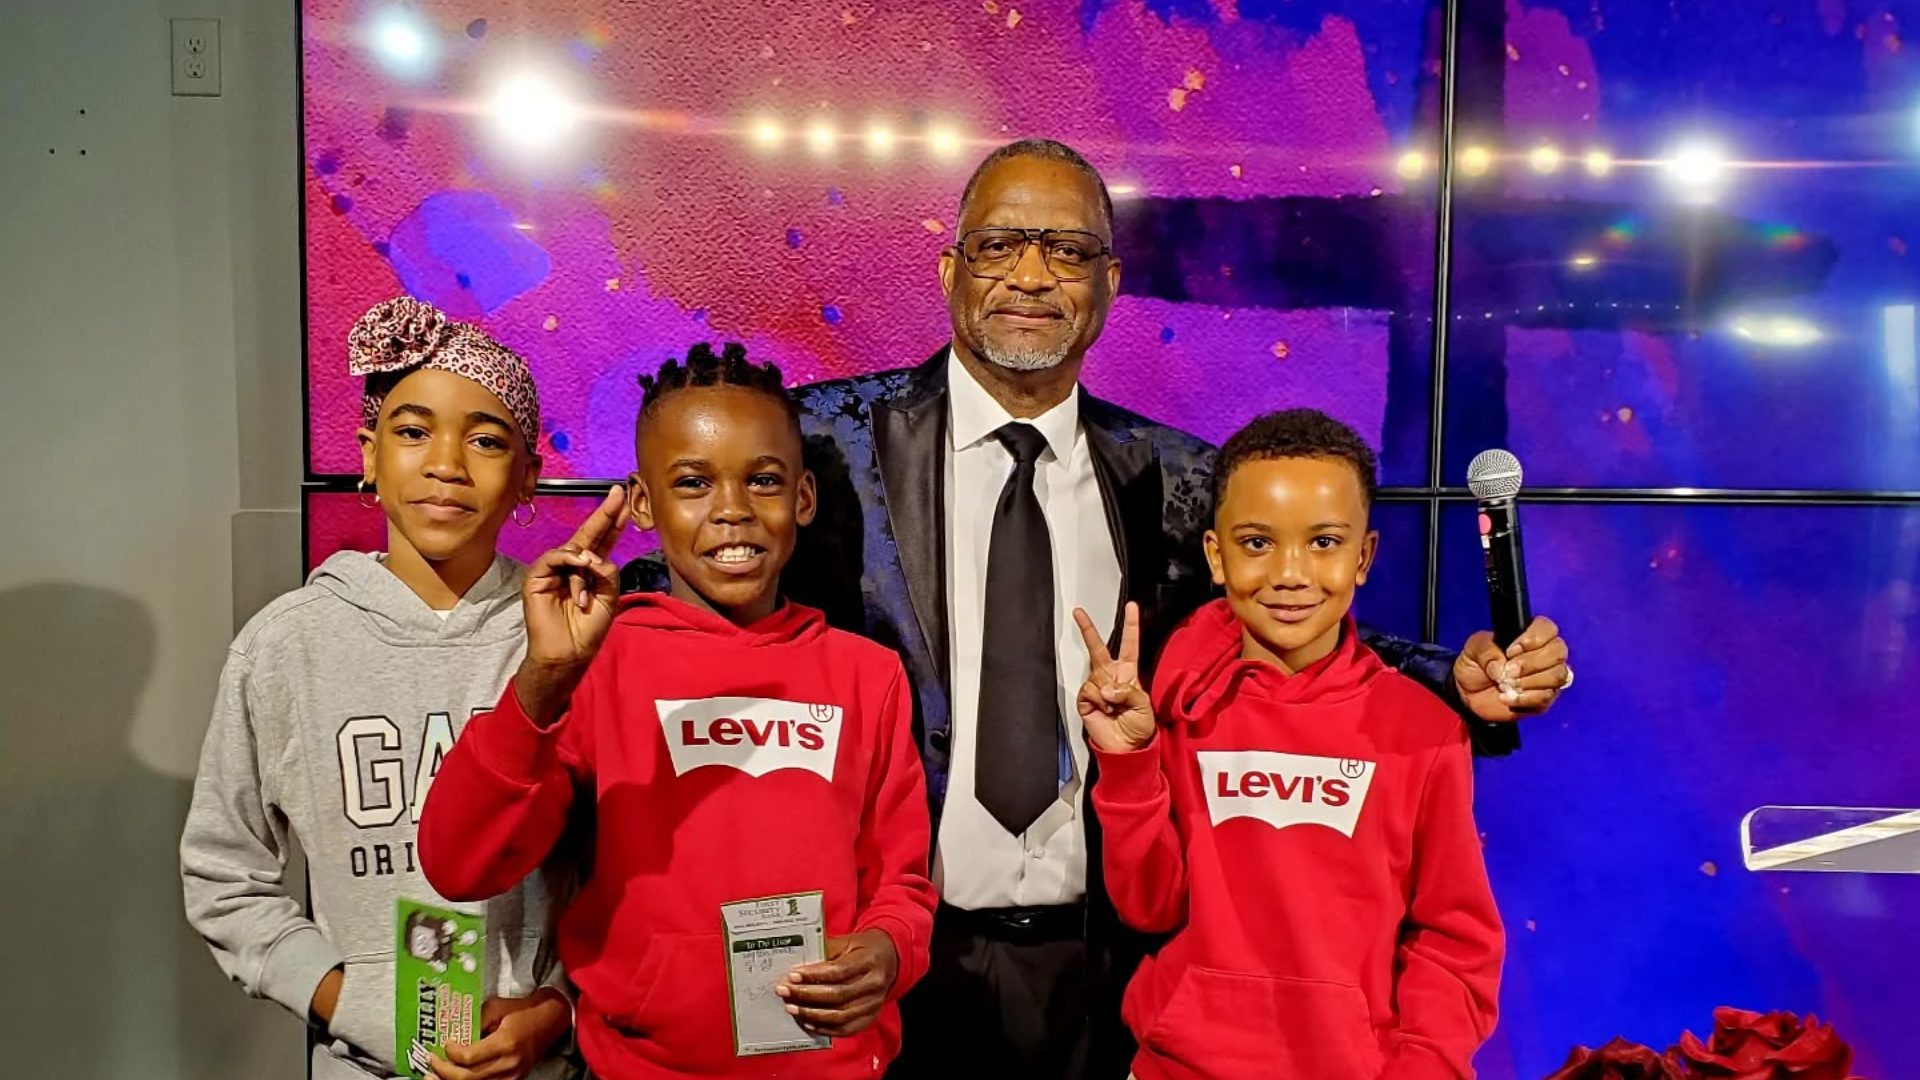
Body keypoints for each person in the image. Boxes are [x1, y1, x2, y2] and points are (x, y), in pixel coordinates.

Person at [623, 138, 1571, 1080]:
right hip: (880, 958)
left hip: (1105, 967)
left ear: (1110, 283)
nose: (1032, 274)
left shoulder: (1179, 475)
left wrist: (1455, 680)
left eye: (1068, 250)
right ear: (950, 269)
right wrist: (575, 641)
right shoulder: (822, 441)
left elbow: (1281, 616)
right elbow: (698, 581)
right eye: (1000, 246)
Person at [418, 344, 938, 1078]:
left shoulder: (867, 675)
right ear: (642, 503)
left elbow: (902, 882)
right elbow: (458, 865)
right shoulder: (598, 663)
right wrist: (543, 680)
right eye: (693, 482)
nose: (732, 510)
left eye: (763, 480)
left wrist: (889, 949)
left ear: (803, 498)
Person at [181, 296, 574, 1080]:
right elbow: (223, 878)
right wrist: (354, 1004)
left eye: (486, 439)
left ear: (528, 476)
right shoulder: (285, 647)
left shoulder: (568, 639)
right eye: (413, 431)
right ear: (368, 453)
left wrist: (556, 1009)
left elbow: (627, 872)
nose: (446, 463)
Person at [1080, 409, 1502, 1080]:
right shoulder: (1179, 704)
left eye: (1324, 542)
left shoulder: (1424, 729)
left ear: (1363, 557)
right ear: (1215, 557)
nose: (1290, 573)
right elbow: (1149, 905)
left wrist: (1423, 1067)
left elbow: (1455, 941)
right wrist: (1128, 765)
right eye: (1257, 543)